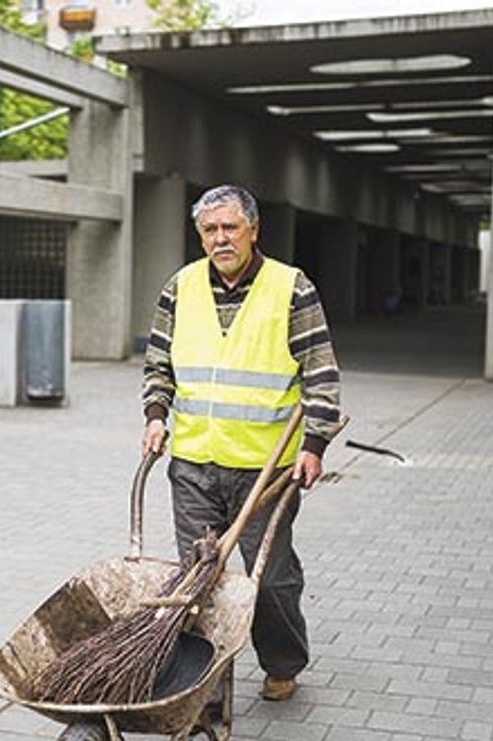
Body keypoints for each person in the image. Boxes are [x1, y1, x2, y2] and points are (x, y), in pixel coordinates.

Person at [140, 185, 343, 702]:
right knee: (198, 580)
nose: (220, 238)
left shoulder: (291, 288)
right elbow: (159, 365)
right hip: (192, 463)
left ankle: (281, 662)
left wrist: (314, 443)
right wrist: (156, 415)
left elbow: (320, 371)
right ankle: (204, 684)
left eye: (230, 227)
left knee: (269, 580)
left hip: (265, 469)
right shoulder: (180, 287)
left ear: (254, 230)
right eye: (210, 229)